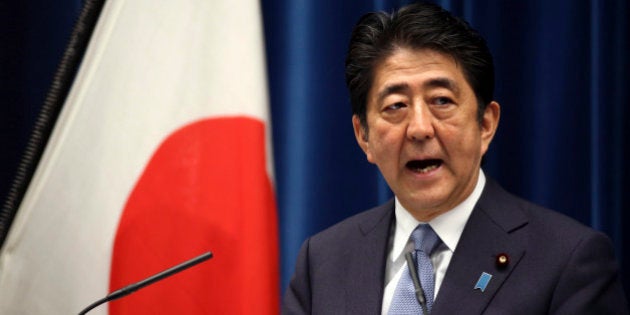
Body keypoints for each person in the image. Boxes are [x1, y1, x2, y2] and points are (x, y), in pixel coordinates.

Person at [282, 2, 628, 314]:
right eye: (396, 106)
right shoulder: (323, 261)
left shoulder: (567, 261)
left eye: (442, 101)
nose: (419, 128)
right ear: (364, 137)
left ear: (486, 124)